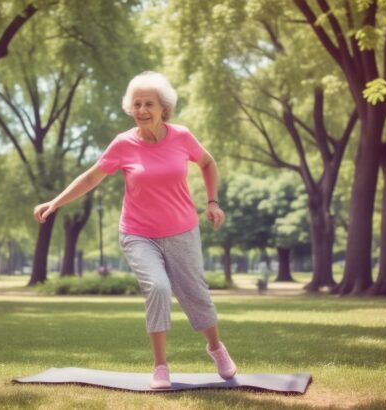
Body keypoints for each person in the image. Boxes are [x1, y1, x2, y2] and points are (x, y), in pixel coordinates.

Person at [33, 71, 236, 389]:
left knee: (195, 295)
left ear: (163, 108)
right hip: (138, 234)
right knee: (157, 287)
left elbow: (208, 163)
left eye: (149, 104)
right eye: (137, 104)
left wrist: (213, 202)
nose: (142, 110)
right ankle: (160, 366)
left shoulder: (182, 137)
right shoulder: (123, 144)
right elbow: (90, 178)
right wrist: (55, 203)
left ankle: (215, 347)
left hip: (182, 231)